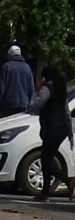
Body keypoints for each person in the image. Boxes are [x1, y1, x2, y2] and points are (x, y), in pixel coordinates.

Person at [27, 65, 75, 202]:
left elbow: (34, 106)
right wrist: (69, 131)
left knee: (46, 160)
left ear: (45, 77)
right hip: (61, 130)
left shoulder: (46, 90)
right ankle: (45, 193)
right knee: (47, 158)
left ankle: (68, 180)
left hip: (51, 128)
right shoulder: (61, 90)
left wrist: (35, 92)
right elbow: (66, 112)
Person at [0, 45, 34, 118]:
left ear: (10, 55)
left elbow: (1, 88)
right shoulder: (27, 68)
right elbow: (31, 88)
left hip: (8, 105)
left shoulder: (6, 67)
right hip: (24, 104)